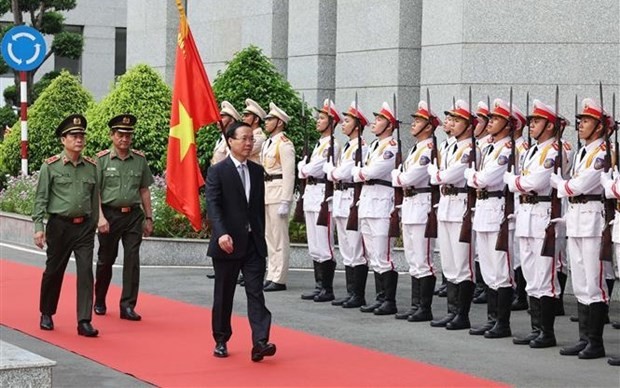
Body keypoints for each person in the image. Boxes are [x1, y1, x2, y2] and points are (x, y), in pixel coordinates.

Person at [205, 121, 276, 362]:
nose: (248, 143)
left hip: (253, 243)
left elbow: (256, 209)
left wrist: (260, 236)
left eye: (250, 139)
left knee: (256, 292)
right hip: (228, 242)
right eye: (243, 138)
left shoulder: (256, 171)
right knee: (224, 294)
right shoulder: (218, 171)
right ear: (230, 141)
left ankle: (260, 341)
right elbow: (213, 206)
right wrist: (221, 233)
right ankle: (221, 339)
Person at [550, 98, 609, 359]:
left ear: (599, 127)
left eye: (586, 121)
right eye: (581, 120)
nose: (581, 124)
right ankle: (584, 338)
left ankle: (595, 342)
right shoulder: (584, 152)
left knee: (594, 283)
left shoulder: (602, 152)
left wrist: (558, 184)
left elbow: (580, 185)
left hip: (592, 220)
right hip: (576, 219)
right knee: (581, 283)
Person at [32, 114, 100, 337]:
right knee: (54, 270)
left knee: (86, 273)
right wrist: (38, 227)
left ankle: (84, 320)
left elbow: (94, 197)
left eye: (81, 136)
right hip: (59, 226)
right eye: (74, 136)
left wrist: (95, 222)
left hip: (83, 228)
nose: (79, 140)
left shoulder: (91, 166)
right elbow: (41, 198)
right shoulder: (50, 167)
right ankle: (47, 312)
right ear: (63, 140)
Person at [465, 98, 518, 339]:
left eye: (495, 119)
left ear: (507, 125)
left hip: (497, 209)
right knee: (487, 268)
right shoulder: (489, 148)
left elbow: (486, 179)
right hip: (484, 208)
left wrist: (471, 175)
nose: (489, 122)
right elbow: (481, 178)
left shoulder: (507, 149)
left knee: (500, 269)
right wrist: (475, 176)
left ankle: (502, 323)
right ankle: (492, 319)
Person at [94, 114, 154, 321]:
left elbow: (144, 189)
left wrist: (148, 218)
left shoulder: (139, 160)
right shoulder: (101, 160)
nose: (125, 139)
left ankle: (127, 305)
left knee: (132, 260)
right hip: (110, 215)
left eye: (128, 135)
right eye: (120, 135)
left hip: (132, 217)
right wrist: (100, 218)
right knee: (105, 260)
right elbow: (96, 193)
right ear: (112, 135)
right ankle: (99, 298)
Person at [427, 99, 478, 330]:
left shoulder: (470, 149)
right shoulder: (449, 146)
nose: (454, 124)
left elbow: (449, 175)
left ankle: (462, 314)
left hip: (460, 206)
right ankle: (451, 311)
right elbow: (440, 175)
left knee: (461, 263)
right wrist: (438, 174)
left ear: (469, 125)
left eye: (458, 121)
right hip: (446, 204)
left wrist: (437, 174)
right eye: (453, 120)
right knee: (448, 263)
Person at [391, 100, 439, 322]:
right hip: (411, 206)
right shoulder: (415, 149)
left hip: (421, 204)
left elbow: (408, 177)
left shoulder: (428, 149)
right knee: (412, 257)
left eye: (418, 121)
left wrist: (398, 178)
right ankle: (415, 304)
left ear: (428, 127)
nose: (413, 124)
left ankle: (424, 307)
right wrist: (399, 178)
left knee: (422, 258)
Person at [352, 101, 398, 315]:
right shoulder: (374, 146)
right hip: (368, 202)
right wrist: (363, 172)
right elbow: (361, 172)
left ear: (389, 126)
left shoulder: (391, 146)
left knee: (383, 254)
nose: (374, 122)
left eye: (379, 119)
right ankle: (380, 298)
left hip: (381, 204)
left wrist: (363, 172)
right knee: (372, 254)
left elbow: (373, 171)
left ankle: (389, 300)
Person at [323, 101, 370, 308]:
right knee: (345, 247)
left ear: (357, 126)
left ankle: (358, 294)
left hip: (351, 196)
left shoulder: (361, 147)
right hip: (341, 198)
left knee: (355, 247)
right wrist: (333, 172)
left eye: (348, 121)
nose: (343, 124)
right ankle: (352, 292)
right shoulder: (350, 147)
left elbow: (342, 173)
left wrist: (330, 171)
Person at [298, 99, 341, 302]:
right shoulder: (319, 145)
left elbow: (310, 169)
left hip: (323, 193)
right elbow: (303, 171)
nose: (318, 121)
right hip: (312, 194)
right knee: (314, 244)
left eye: (322, 118)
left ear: (332, 123)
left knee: (324, 244)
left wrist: (304, 168)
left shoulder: (332, 144)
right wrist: (304, 168)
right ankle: (318, 285)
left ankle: (327, 288)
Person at [261, 102, 295, 292]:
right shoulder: (268, 143)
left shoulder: (285, 144)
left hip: (278, 192)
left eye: (270, 119)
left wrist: (286, 200)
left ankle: (280, 278)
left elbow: (289, 174)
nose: (266, 122)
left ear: (280, 123)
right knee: (269, 236)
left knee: (279, 236)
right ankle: (271, 273)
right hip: (267, 191)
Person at [242, 98, 267, 164]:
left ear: (256, 119)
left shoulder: (259, 137)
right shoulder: (246, 135)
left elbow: (240, 152)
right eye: (244, 116)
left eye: (246, 116)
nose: (243, 118)